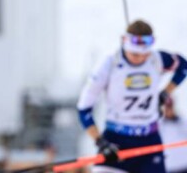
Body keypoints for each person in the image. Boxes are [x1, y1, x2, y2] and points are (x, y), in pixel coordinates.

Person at [77, 20, 187, 173]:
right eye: (135, 54)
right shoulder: (109, 65)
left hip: (149, 140)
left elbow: (183, 66)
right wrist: (100, 142)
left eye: (145, 54)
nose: (141, 59)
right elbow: (84, 108)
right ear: (124, 41)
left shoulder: (156, 59)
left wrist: (165, 93)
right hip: (116, 141)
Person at [161, 97, 187, 173]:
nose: (169, 109)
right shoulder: (159, 125)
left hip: (184, 165)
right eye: (167, 107)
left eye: (170, 107)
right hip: (169, 167)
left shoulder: (183, 122)